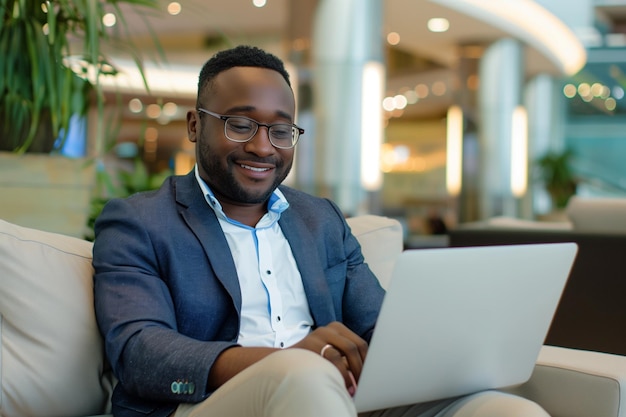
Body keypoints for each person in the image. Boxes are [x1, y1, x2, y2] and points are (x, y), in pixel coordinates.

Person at [93, 45, 549, 417]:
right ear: (196, 125)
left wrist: (445, 347)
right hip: (201, 404)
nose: (261, 146)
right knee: (305, 377)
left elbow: (377, 327)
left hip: (331, 396)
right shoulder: (138, 222)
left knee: (505, 411)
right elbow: (140, 355)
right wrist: (291, 361)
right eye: (240, 124)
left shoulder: (321, 219)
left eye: (281, 130)